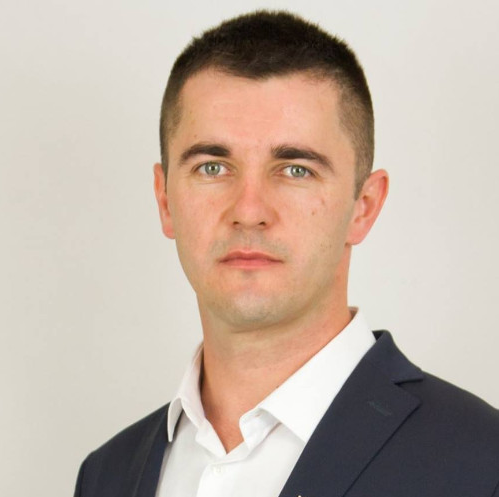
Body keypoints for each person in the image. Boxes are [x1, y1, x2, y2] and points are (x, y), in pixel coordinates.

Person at [74, 10, 499, 497]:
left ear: (364, 206)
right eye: (212, 167)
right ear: (165, 199)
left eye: (296, 170)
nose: (248, 211)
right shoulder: (106, 475)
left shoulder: (482, 465)